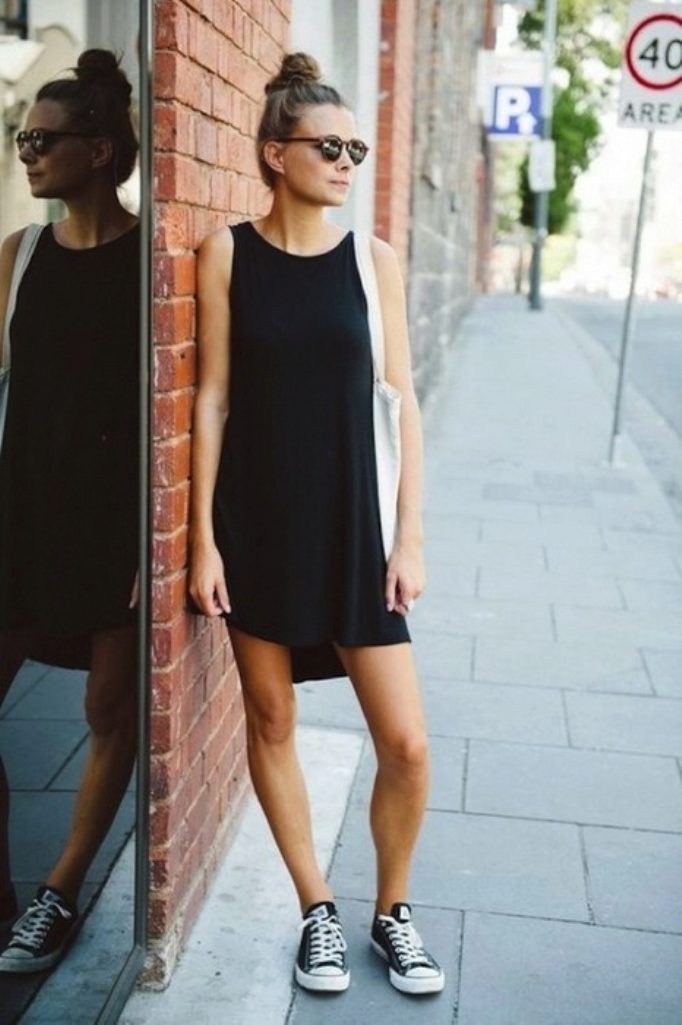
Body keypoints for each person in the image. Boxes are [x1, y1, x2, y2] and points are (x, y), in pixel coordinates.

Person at [189, 52, 444, 996]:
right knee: (272, 716)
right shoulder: (226, 253)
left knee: (407, 743)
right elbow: (212, 398)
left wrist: (410, 535)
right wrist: (202, 538)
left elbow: (401, 400)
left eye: (355, 150)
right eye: (329, 146)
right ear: (275, 154)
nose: (346, 162)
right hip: (257, 521)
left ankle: (393, 912)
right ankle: (317, 908)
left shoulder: (373, 262)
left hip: (354, 526)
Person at [0, 49, 140, 973]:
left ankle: (59, 891)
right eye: (21, 139)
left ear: (97, 150)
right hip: (19, 512)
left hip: (115, 525)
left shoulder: (152, 265)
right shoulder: (18, 256)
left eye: (41, 140)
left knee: (105, 708)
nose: (26, 154)